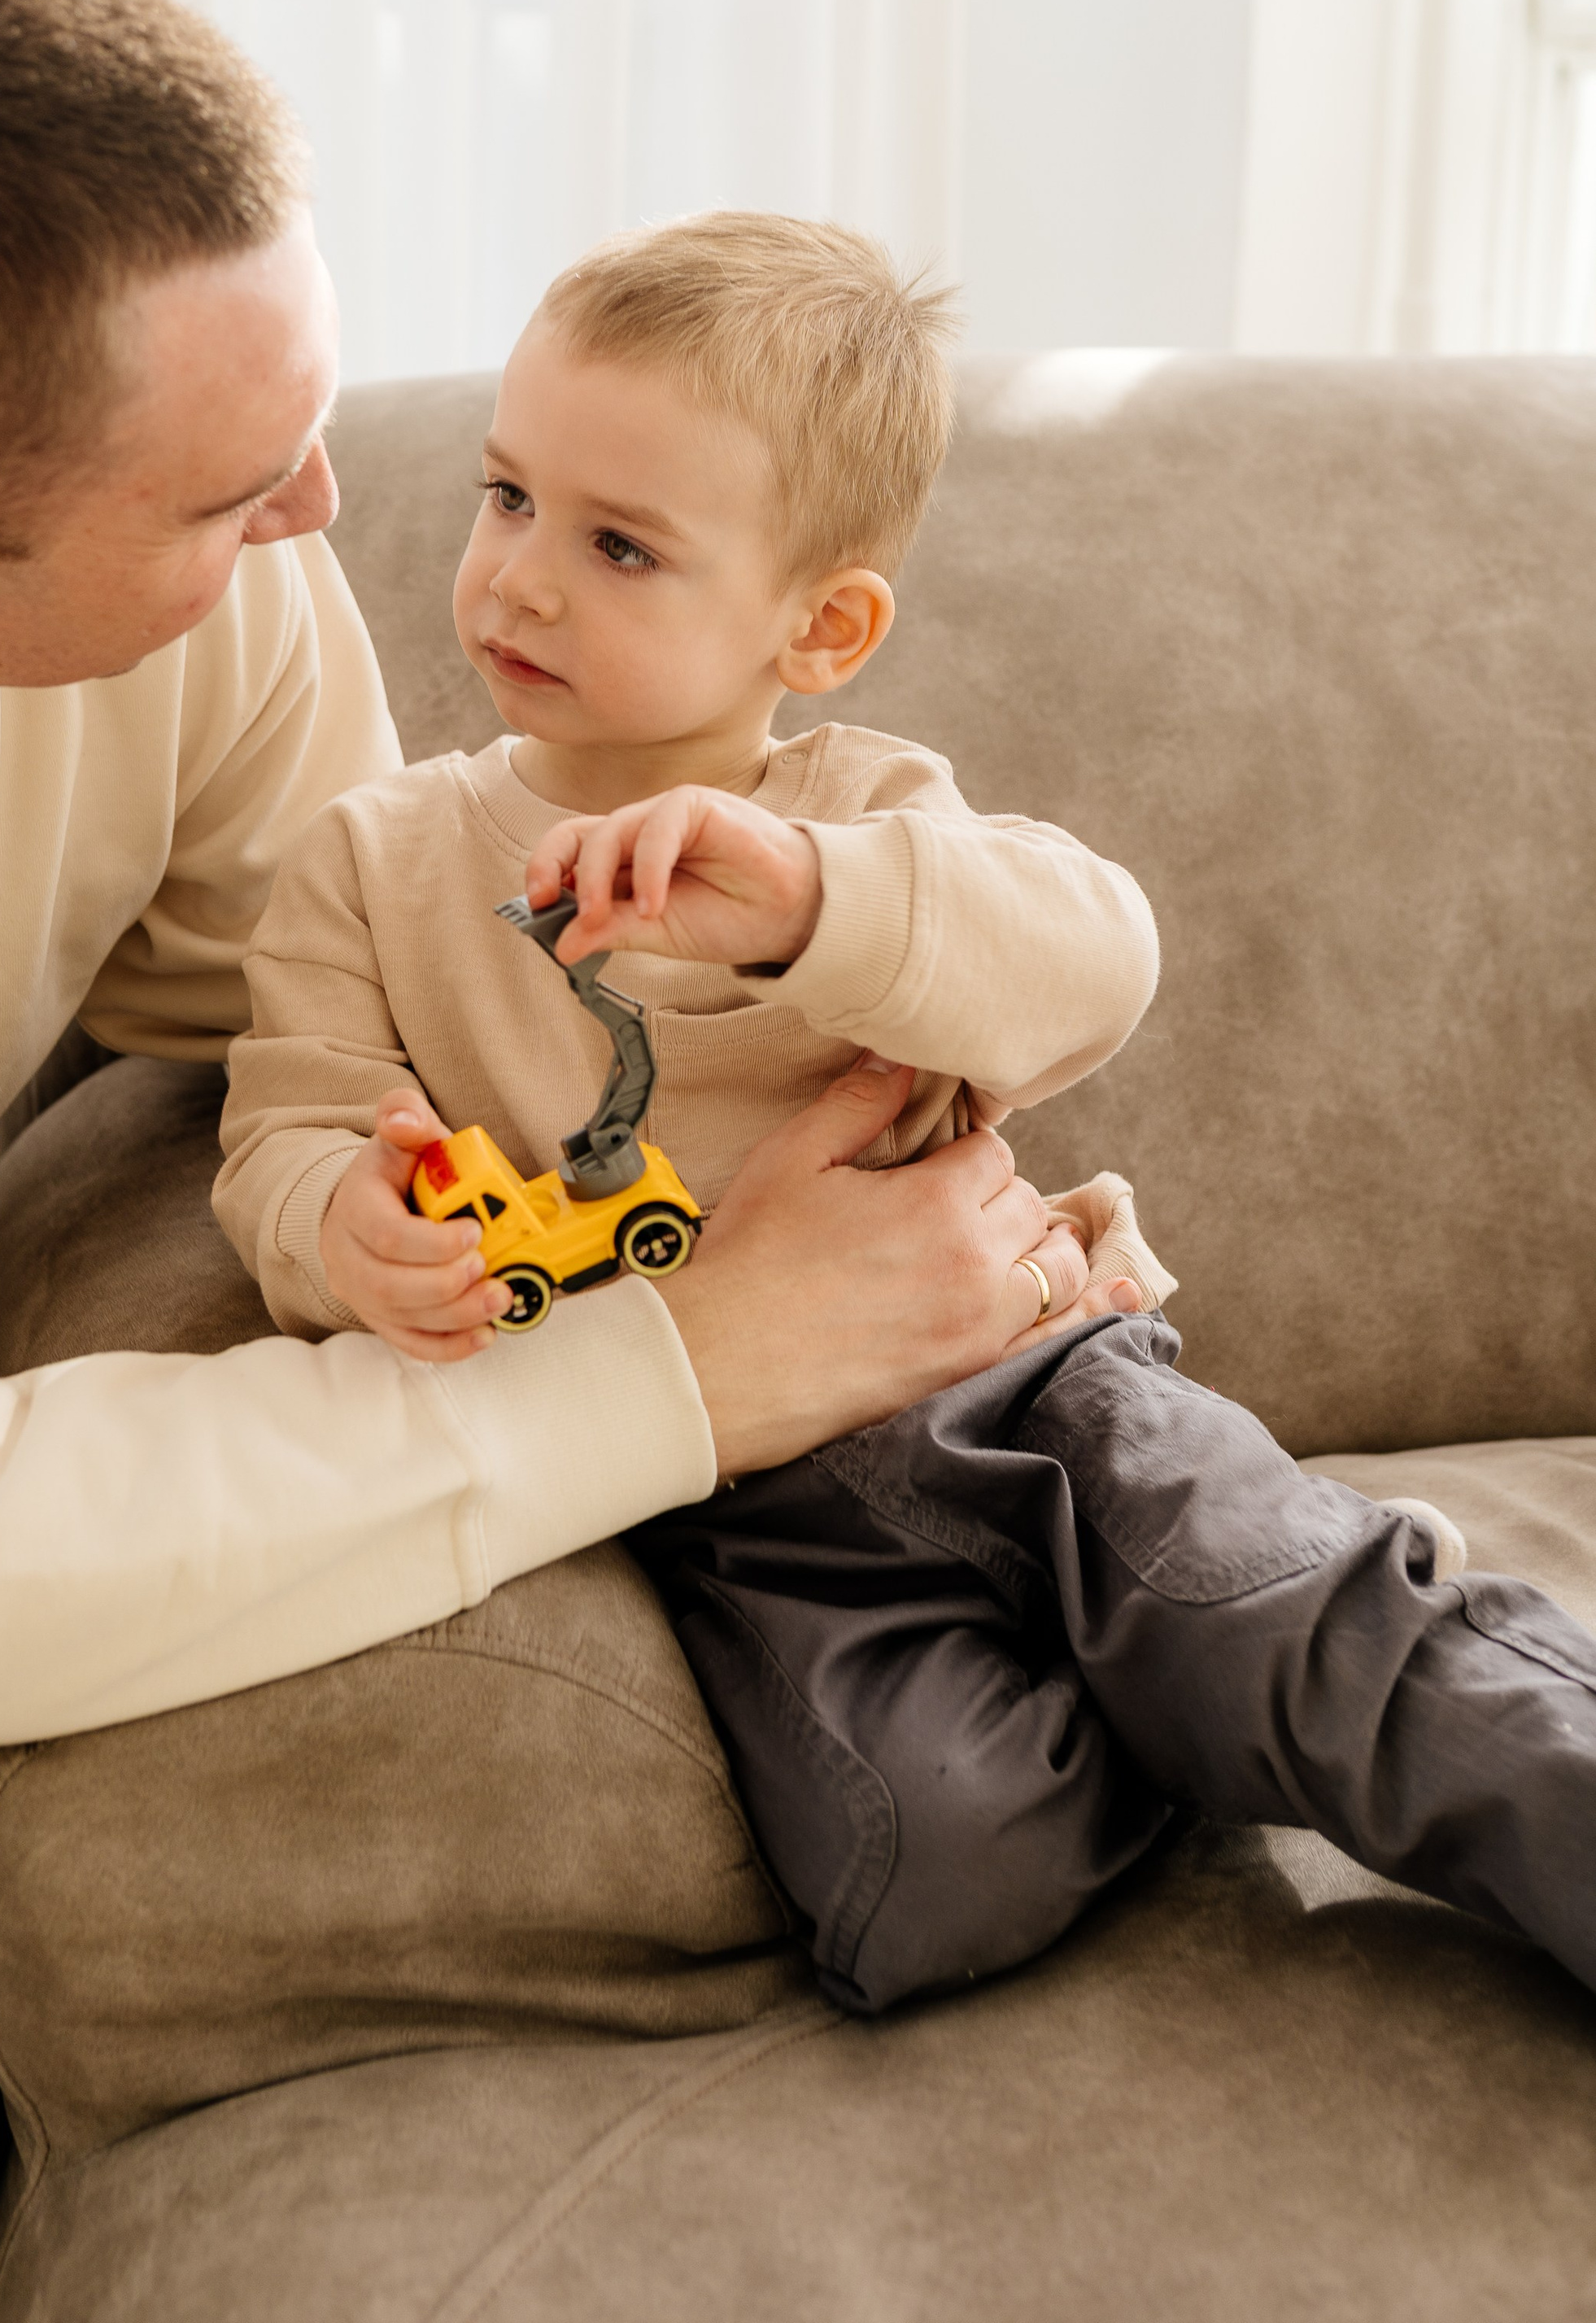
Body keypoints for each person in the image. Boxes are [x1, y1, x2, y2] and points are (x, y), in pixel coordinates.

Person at [0, 0, 1116, 2323]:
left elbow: (362, 1026)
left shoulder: (185, 603)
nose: (316, 536)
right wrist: (692, 1370)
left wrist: (641, 1161)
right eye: (235, 497)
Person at [216, 209, 1596, 2015]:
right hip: (729, 1488)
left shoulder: (865, 813)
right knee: (920, 1872)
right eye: (505, 497)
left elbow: (1090, 961)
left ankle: (1322, 1713)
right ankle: (1185, 1728)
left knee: (1291, 1631)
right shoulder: (372, 860)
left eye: (619, 544)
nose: (519, 581)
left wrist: (804, 898)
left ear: (824, 625)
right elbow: (285, 1127)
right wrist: (345, 1231)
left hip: (1028, 1385)